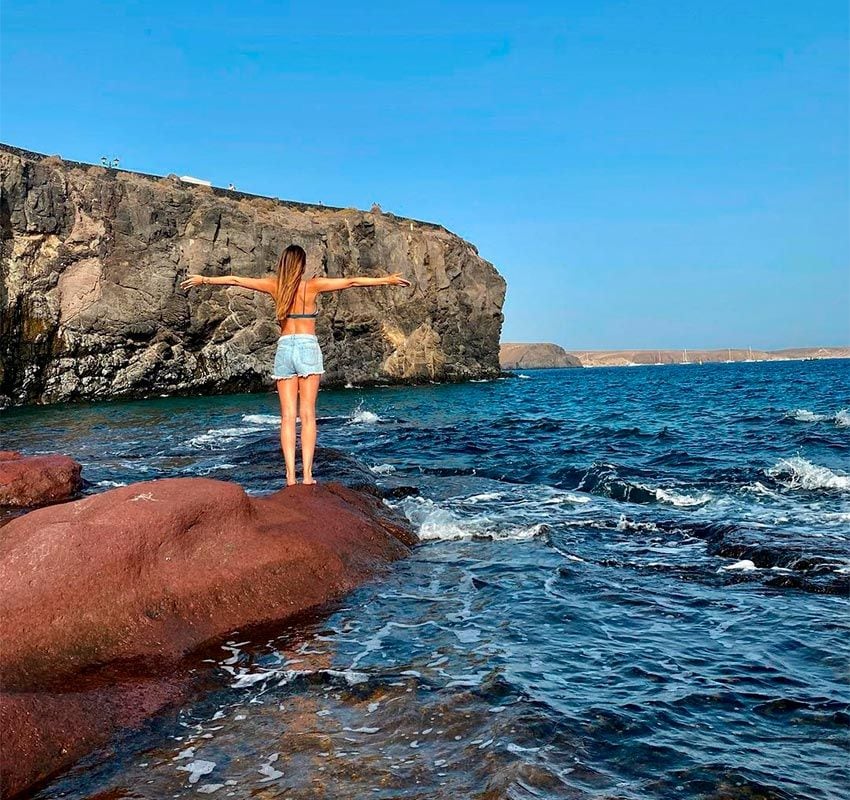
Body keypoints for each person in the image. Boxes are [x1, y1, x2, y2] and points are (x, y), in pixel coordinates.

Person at [181, 244, 411, 486]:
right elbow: (352, 282)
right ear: (301, 265)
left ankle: (290, 476)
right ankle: (308, 476)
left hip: (284, 348)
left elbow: (237, 279)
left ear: (283, 264)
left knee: (288, 417)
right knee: (308, 415)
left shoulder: (274, 286)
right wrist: (388, 280)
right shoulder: (313, 286)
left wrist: (204, 279)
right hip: (307, 347)